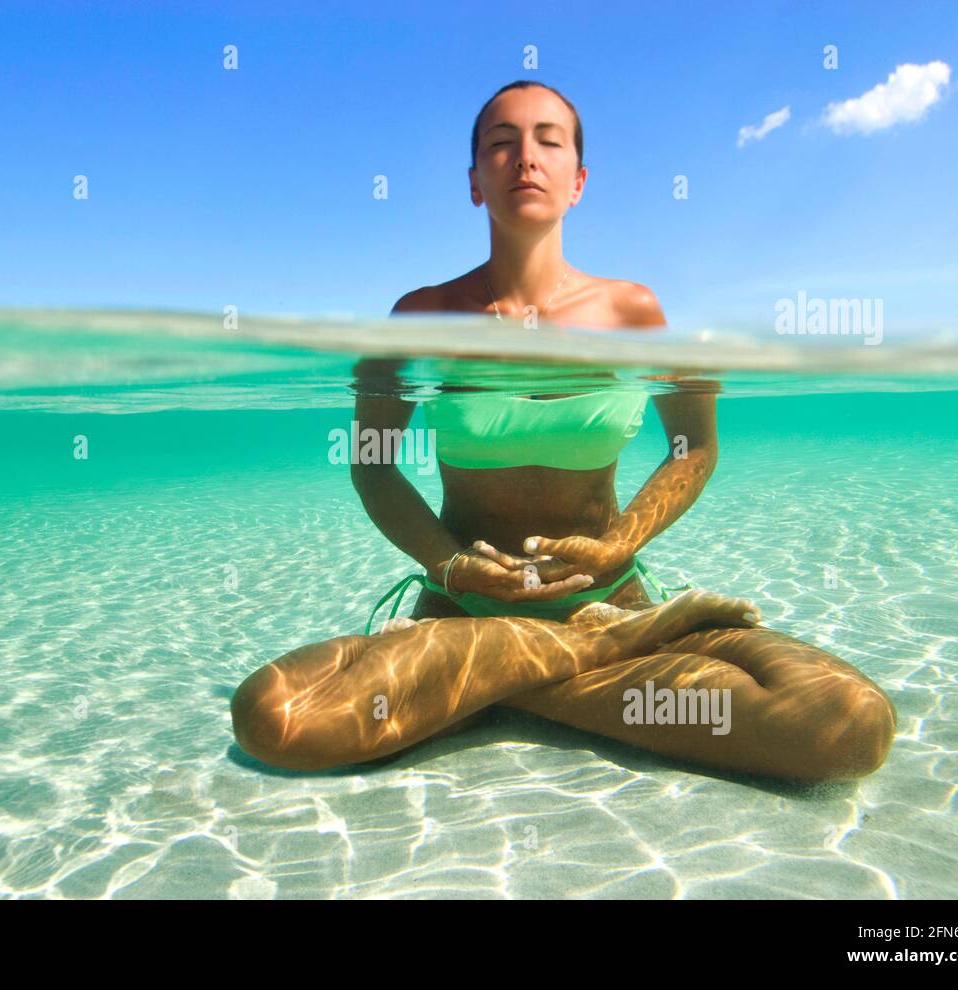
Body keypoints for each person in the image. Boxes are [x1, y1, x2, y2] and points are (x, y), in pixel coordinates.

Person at [230, 81, 896, 782]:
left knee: (845, 725)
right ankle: (584, 655)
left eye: (549, 140)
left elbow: (693, 446)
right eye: (501, 143)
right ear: (474, 183)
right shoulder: (421, 317)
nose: (525, 157)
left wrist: (620, 545)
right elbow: (374, 461)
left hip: (600, 602)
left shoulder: (633, 310)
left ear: (578, 182)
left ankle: (502, 683)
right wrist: (448, 565)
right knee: (273, 718)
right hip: (465, 610)